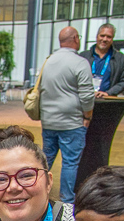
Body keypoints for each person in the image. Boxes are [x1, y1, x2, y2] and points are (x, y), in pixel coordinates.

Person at [39, 26, 95, 203]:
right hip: (71, 123)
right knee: (70, 163)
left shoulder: (48, 61)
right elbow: (87, 95)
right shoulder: (80, 62)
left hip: (49, 121)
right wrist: (87, 116)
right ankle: (67, 200)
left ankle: (37, 193)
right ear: (76, 39)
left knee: (44, 161)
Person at [79, 23, 124, 98]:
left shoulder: (119, 58)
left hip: (107, 100)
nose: (104, 39)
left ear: (112, 39)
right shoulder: (83, 56)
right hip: (85, 99)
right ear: (97, 36)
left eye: (109, 37)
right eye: (102, 36)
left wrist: (109, 93)